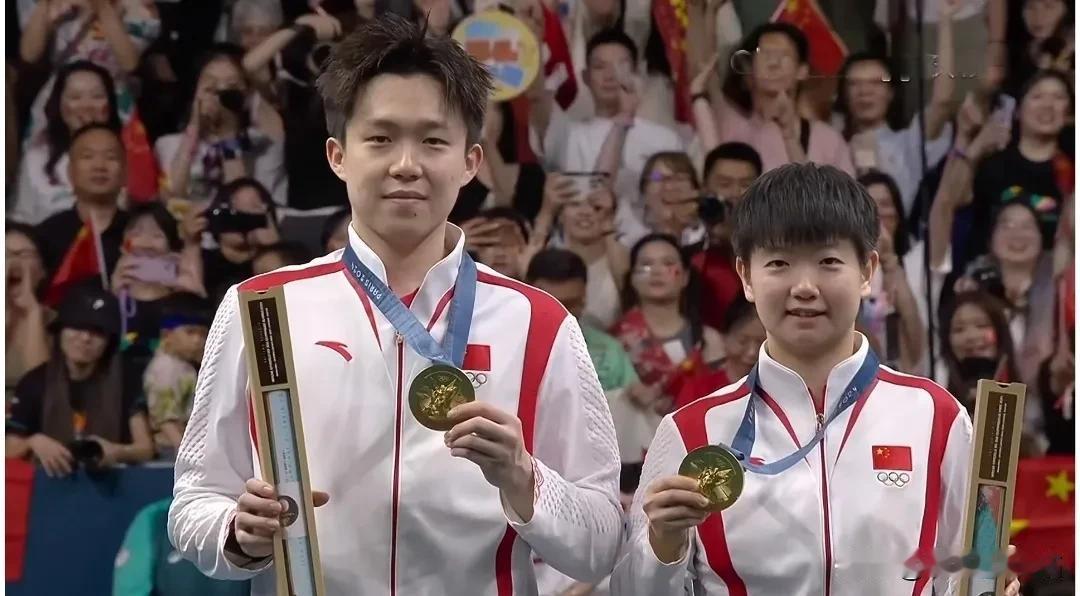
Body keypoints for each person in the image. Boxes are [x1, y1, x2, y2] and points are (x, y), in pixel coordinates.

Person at [168, 15, 622, 595]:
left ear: (470, 162)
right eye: (380, 138)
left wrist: (523, 478)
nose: (406, 164)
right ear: (338, 155)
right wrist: (236, 531)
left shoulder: (539, 322)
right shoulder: (261, 309)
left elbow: (604, 538)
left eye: (433, 141)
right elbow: (194, 501)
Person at [611, 163, 1021, 595]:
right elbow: (629, 591)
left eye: (828, 261)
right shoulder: (690, 430)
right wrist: (663, 545)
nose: (804, 286)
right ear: (746, 277)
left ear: (866, 271)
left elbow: (964, 570)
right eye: (779, 263)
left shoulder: (936, 416)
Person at [5, 282, 154, 477]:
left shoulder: (126, 379)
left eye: (97, 332)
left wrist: (116, 451)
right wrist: (33, 442)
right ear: (60, 332)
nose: (85, 338)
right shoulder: (34, 382)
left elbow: (145, 448)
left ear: (109, 342)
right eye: (77, 327)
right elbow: (8, 449)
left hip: (109, 484)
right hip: (48, 484)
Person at [143, 293, 211, 452]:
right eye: (190, 332)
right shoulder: (165, 368)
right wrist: (185, 454)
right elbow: (166, 420)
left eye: (202, 334)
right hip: (171, 448)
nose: (197, 340)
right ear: (167, 335)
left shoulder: (185, 365)